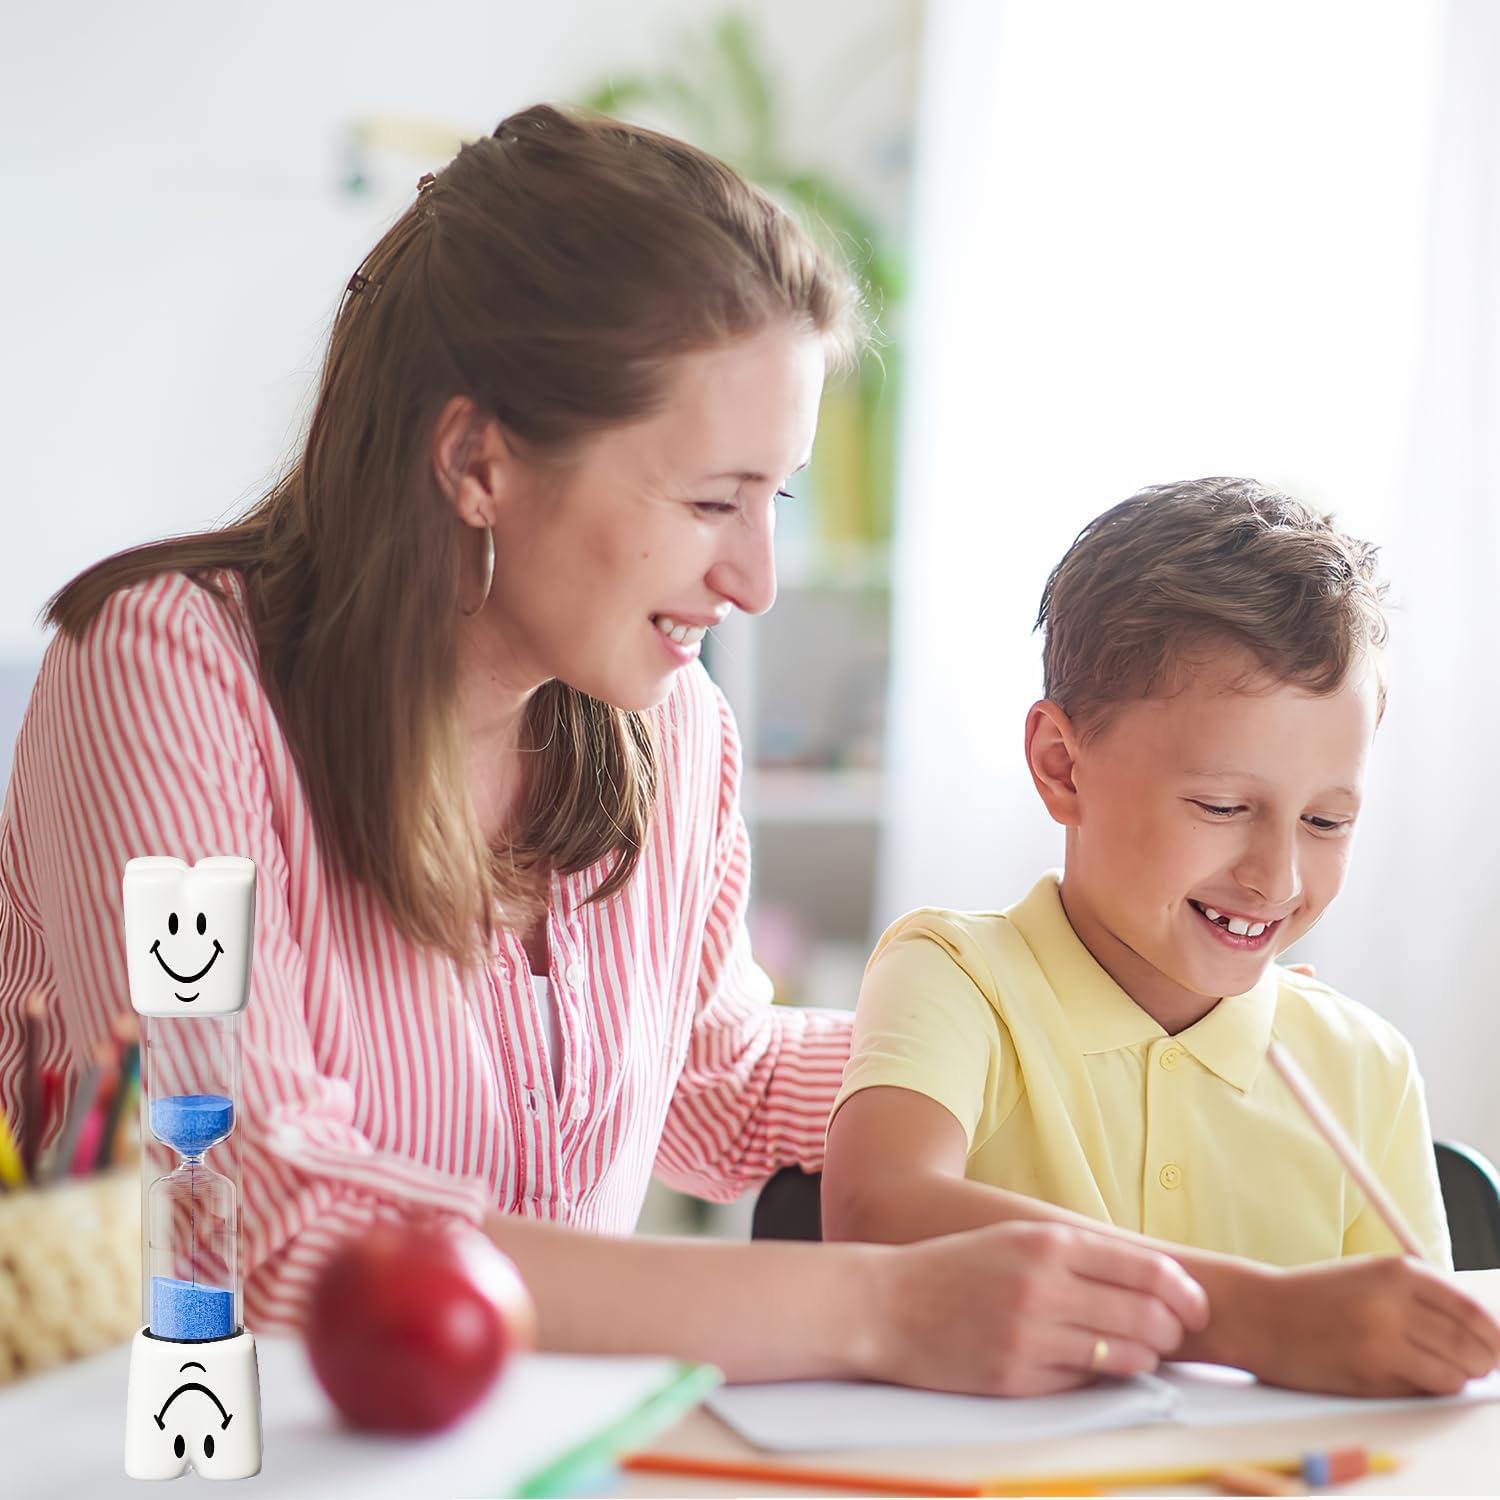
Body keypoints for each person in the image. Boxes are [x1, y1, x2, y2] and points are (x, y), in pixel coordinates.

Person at [0, 106, 1208, 1397]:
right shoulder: (165, 669)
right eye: (712, 500)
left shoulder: (668, 727)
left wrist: (1075, 1029)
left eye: (777, 498)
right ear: (477, 460)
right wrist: (880, 1308)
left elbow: (716, 1081)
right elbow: (244, 1208)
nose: (755, 581)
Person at [823, 477, 1500, 1396]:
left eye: (1326, 822)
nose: (1277, 880)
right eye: (1222, 806)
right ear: (1063, 768)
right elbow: (877, 1211)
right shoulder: (956, 975)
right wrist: (1257, 1317)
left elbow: (1413, 1376)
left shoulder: (1365, 1066)